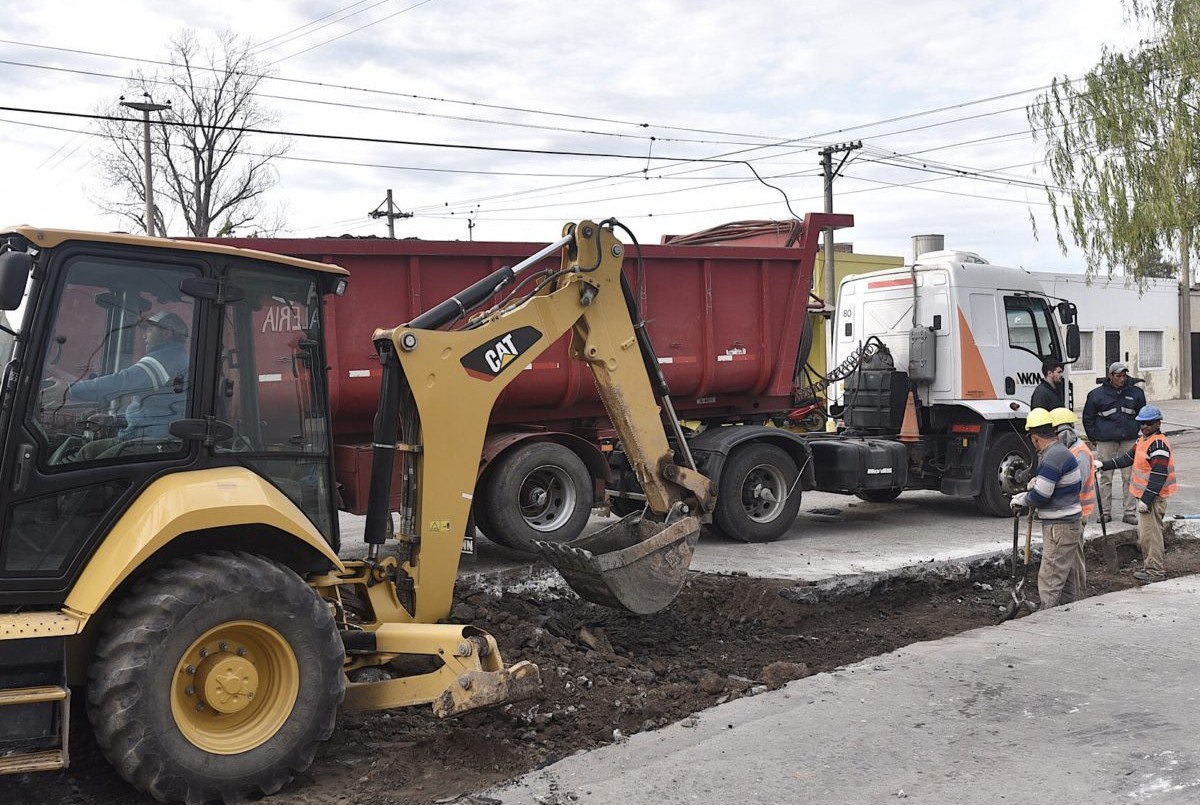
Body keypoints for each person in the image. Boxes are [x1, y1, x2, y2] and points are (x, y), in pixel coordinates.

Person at [67, 310, 189, 458]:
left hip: (158, 441)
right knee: (88, 452)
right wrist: (114, 419)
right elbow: (152, 411)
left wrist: (71, 390)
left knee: (96, 467)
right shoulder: (171, 359)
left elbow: (123, 381)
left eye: (149, 330)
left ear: (166, 334)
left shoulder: (168, 357)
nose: (144, 335)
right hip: (140, 436)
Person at [1009, 407, 1085, 609]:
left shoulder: (1052, 456)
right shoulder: (1060, 452)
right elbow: (1050, 486)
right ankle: (1070, 611)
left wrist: (1021, 499)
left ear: (1035, 438)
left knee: (1050, 577)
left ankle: (1046, 616)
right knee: (1066, 575)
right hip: (1069, 523)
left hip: (1059, 526)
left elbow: (1041, 495)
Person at [1094, 404, 1177, 583]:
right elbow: (1127, 459)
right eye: (1142, 423)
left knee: (1151, 536)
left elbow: (1159, 474)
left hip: (1153, 499)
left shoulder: (1158, 444)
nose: (1145, 427)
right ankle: (1151, 566)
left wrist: (1146, 500)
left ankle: (1155, 571)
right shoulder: (1142, 441)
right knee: (1146, 534)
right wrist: (1104, 465)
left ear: (1158, 423)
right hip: (1146, 497)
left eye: (1149, 423)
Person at [1082, 361, 1146, 525]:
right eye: (1118, 376)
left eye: (1124, 375)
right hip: (1105, 440)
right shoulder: (1096, 395)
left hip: (1129, 440)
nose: (1122, 379)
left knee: (1129, 477)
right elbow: (1088, 418)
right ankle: (1105, 513)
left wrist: (1139, 433)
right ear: (1110, 376)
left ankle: (1129, 513)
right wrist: (1094, 437)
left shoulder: (1136, 393)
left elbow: (1143, 415)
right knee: (1105, 477)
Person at [1051, 407, 1096, 526]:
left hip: (1076, 512)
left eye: (1054, 433)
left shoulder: (1080, 453)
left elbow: (1076, 486)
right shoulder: (1065, 450)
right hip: (1065, 510)